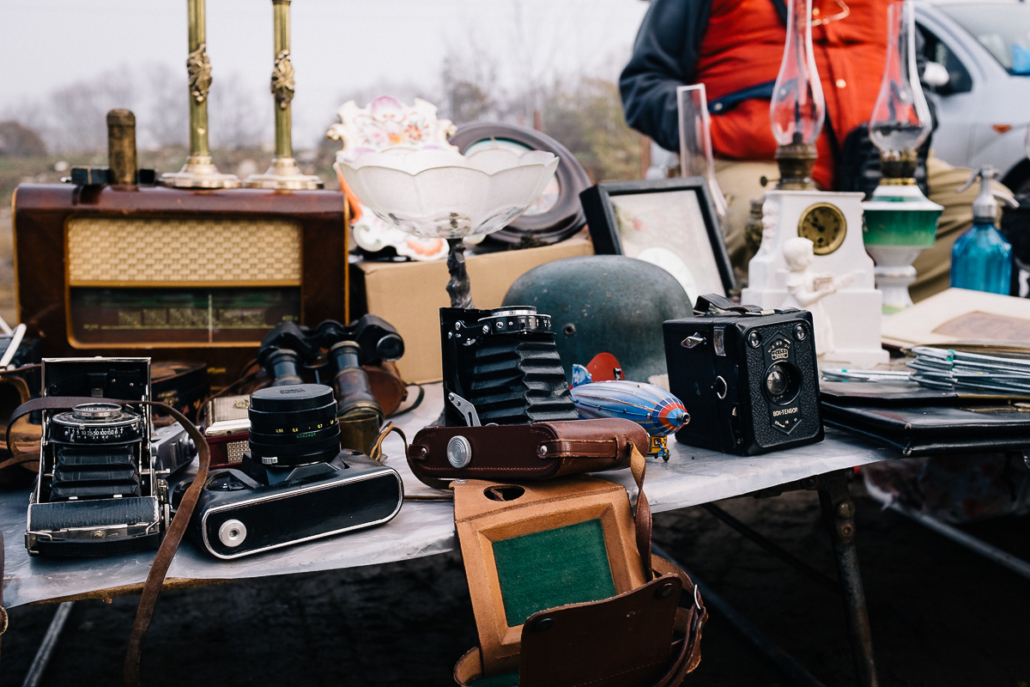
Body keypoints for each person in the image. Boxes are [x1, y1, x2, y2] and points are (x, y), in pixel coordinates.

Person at [620, 0, 1007, 300]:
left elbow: (915, 77)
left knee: (988, 209)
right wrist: (713, 130)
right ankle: (794, 345)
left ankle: (908, 329)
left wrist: (910, 138)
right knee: (782, 230)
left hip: (882, 158)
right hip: (752, 159)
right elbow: (642, 86)